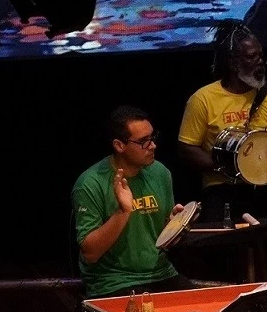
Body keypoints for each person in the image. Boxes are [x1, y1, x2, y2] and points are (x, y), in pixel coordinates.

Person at [73, 106, 188, 297]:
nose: (153, 146)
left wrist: (173, 225)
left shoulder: (160, 173)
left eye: (152, 137)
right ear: (119, 145)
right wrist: (123, 211)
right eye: (143, 141)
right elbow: (90, 253)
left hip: (161, 273)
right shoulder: (90, 183)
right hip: (114, 281)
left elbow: (159, 237)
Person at [176, 22, 267, 190]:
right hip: (223, 186)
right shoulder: (202, 98)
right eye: (251, 57)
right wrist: (230, 167)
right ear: (233, 63)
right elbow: (187, 149)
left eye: (261, 56)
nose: (260, 62)